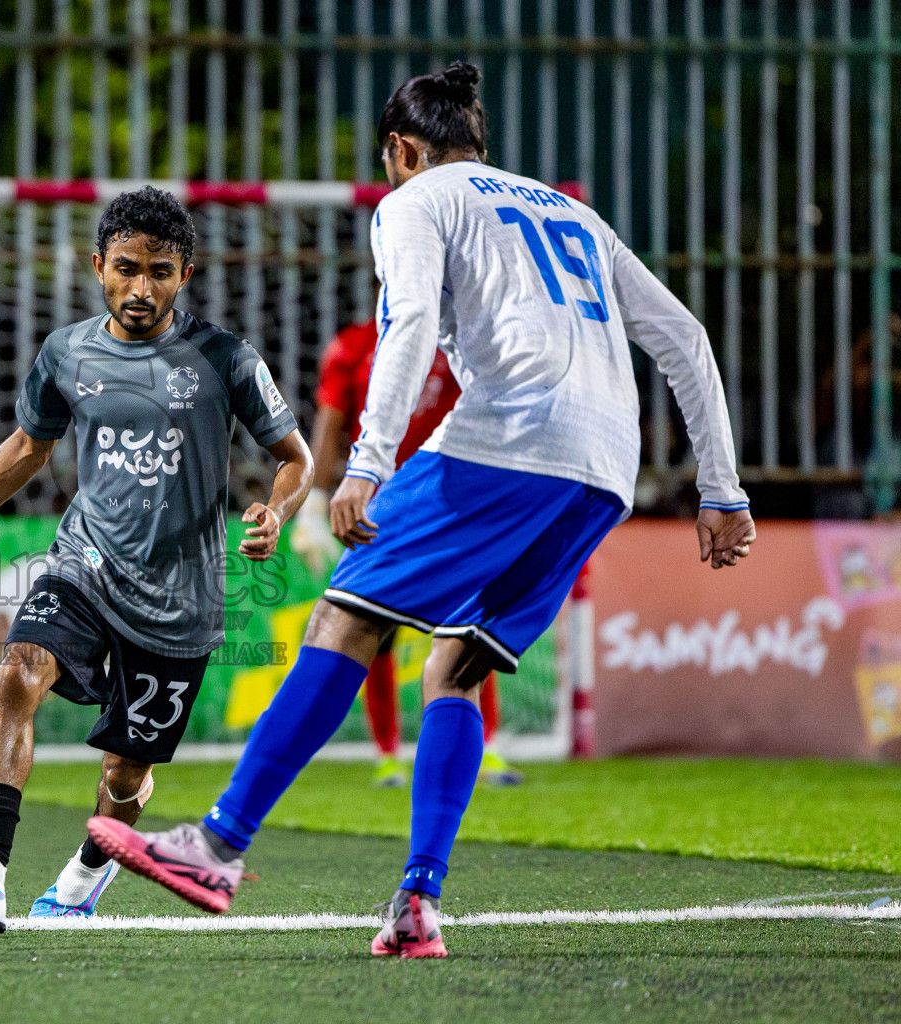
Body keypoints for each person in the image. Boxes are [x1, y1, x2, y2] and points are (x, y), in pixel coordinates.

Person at [88, 61, 755, 959]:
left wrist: (366, 464)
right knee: (457, 668)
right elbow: (686, 338)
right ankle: (417, 902)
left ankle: (217, 845)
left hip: (504, 441)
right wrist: (721, 488)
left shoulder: (413, 202)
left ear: (401, 149)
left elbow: (403, 327)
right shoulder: (571, 210)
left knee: (345, 618)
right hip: (604, 468)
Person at [0, 186, 313, 935]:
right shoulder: (66, 352)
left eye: (158, 270)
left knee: (125, 776)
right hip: (84, 563)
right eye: (125, 268)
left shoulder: (225, 359)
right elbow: (27, 447)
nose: (140, 288)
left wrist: (275, 511)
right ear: (97, 267)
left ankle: (86, 874)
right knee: (19, 669)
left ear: (185, 273)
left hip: (180, 600)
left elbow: (296, 457)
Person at [294, 322, 519, 788]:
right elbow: (331, 420)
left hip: (449, 504)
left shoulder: (458, 338)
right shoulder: (352, 345)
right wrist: (313, 505)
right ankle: (388, 754)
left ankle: (486, 747)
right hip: (379, 506)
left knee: (470, 627)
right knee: (372, 631)